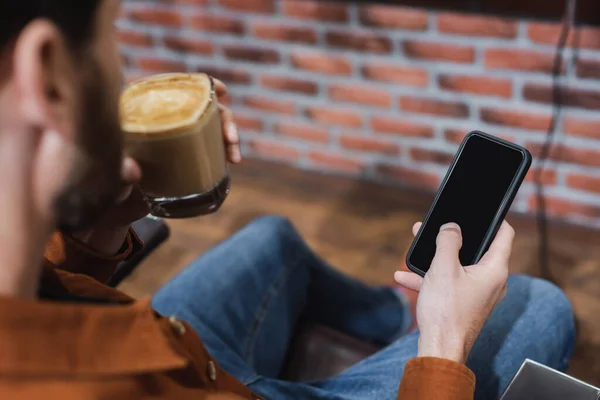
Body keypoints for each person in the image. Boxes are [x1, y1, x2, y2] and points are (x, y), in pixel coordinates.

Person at [0, 1, 575, 399]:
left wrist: (99, 226)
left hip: (178, 357)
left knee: (271, 237)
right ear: (49, 74)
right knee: (537, 302)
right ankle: (426, 321)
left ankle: (398, 314)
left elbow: (40, 294)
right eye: (111, 36)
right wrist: (445, 345)